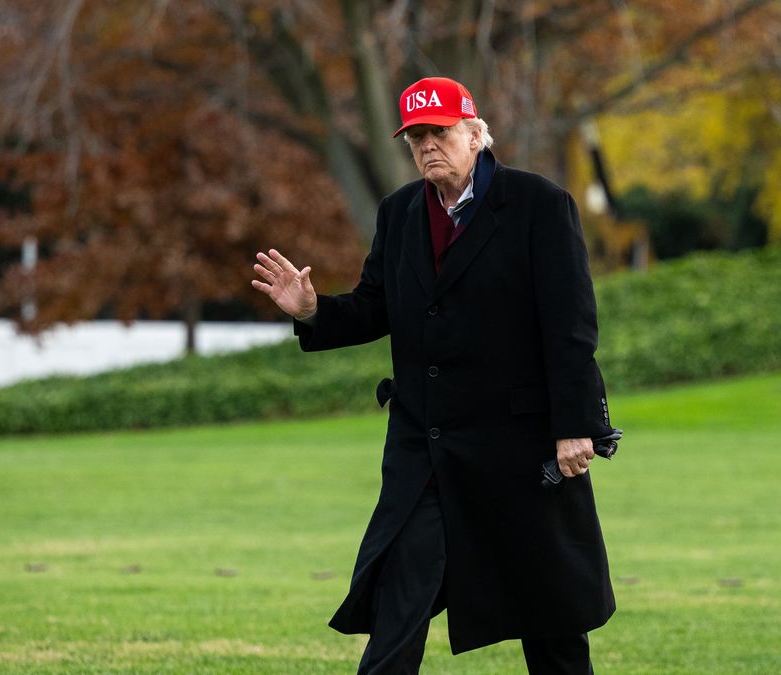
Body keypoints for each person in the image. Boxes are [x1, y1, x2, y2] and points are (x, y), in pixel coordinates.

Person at [252, 76, 616, 674]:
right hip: (425, 447)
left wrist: (575, 426)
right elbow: (376, 307)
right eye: (415, 136)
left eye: (439, 132)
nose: (426, 146)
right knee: (399, 599)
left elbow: (571, 329)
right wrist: (315, 310)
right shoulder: (399, 214)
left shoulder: (540, 206)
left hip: (519, 449)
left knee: (550, 614)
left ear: (475, 133)